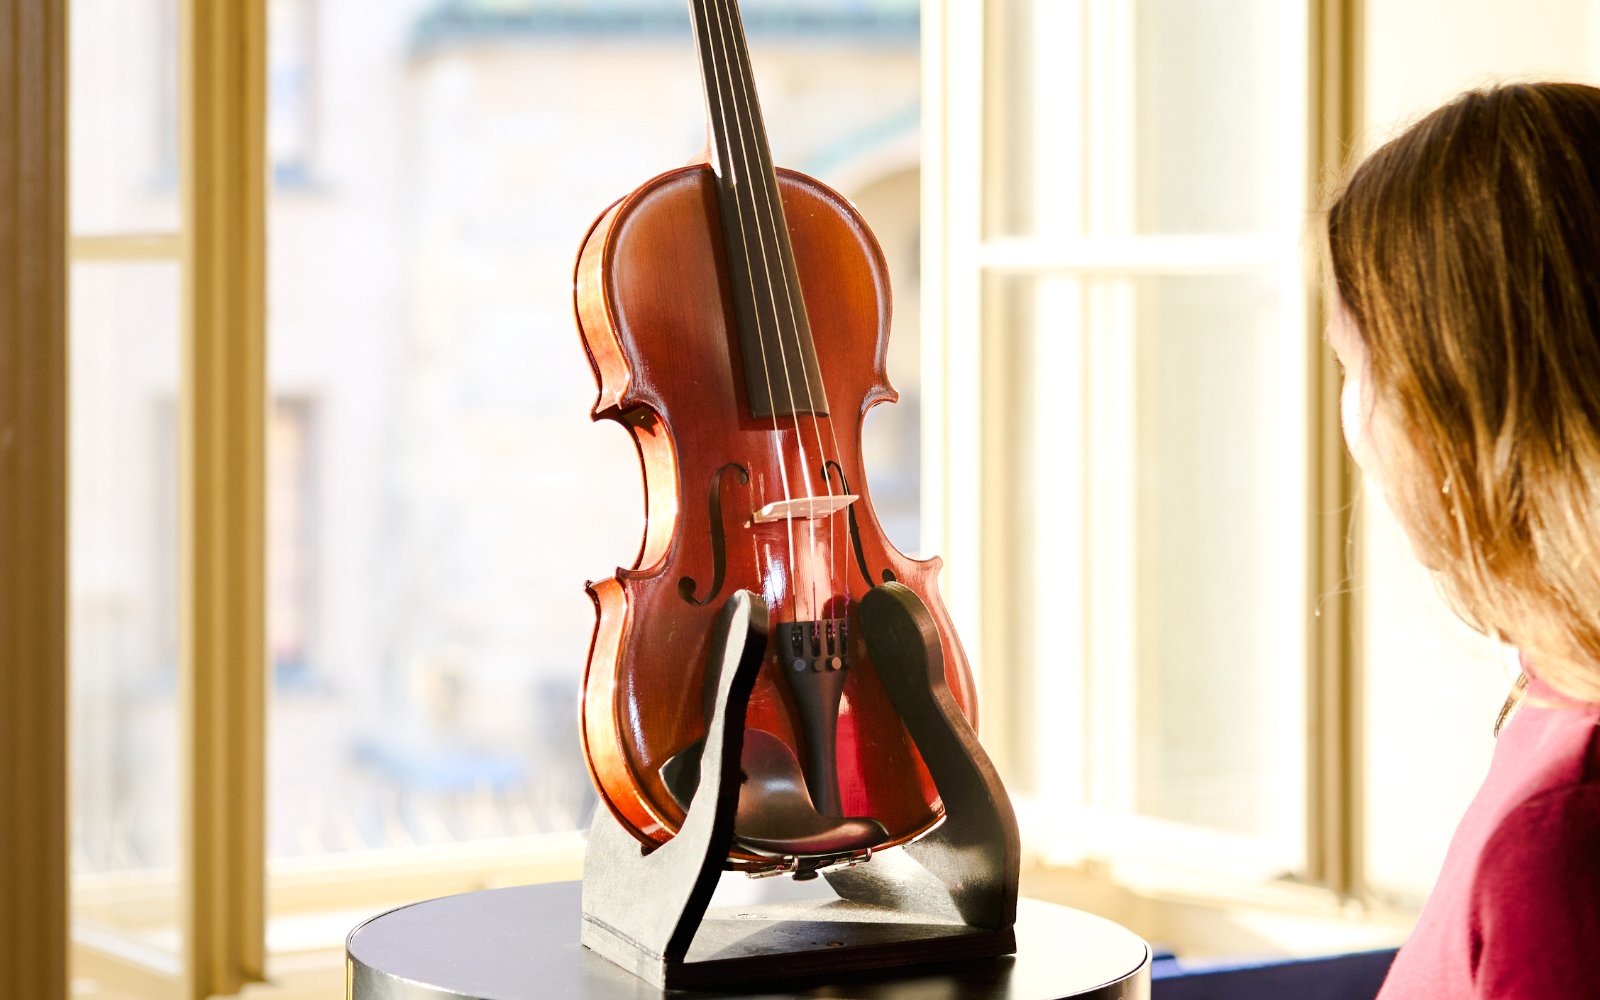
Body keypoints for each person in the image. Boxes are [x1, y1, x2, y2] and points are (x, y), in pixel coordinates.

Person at [1324, 81, 1600, 998]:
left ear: (1452, 413)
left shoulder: (1565, 834)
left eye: (1350, 365)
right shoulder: (1551, 688)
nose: (1351, 422)